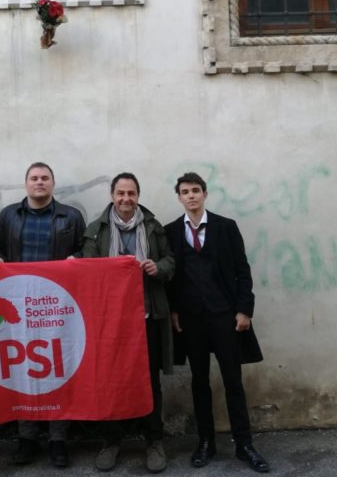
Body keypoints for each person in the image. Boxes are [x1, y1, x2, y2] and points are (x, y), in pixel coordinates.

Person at [164, 172, 269, 473]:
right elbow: (171, 278)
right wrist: (173, 311)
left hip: (225, 317)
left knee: (233, 382)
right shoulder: (171, 231)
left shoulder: (226, 227)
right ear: (180, 197)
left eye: (196, 190)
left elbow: (242, 270)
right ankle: (206, 442)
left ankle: (244, 444)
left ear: (205, 194)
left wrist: (244, 310)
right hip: (192, 320)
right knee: (199, 383)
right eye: (185, 192)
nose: (191, 196)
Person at [0, 161, 86, 468]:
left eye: (45, 178)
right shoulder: (9, 216)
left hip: (57, 306)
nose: (39, 182)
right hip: (19, 304)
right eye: (34, 178)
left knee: (58, 366)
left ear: (52, 184)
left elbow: (87, 248)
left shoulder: (71, 216)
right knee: (23, 368)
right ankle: (27, 438)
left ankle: (58, 439)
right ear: (26, 184)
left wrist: (77, 258)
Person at [81, 172, 175, 474]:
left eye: (131, 193)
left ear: (138, 195)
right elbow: (87, 270)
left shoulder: (153, 226)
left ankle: (154, 441)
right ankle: (112, 441)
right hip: (110, 322)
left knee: (150, 382)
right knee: (111, 381)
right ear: (112, 195)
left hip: (147, 316)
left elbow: (171, 262)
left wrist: (157, 267)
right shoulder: (95, 230)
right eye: (120, 193)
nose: (126, 199)